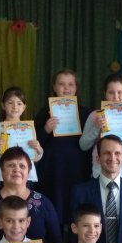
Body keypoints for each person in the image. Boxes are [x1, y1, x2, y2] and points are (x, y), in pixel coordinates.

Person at [34, 69, 91, 224]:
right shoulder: (44, 112)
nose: (66, 88)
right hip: (52, 171)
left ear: (76, 87)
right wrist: (46, 129)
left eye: (71, 84)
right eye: (61, 84)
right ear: (54, 87)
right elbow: (34, 144)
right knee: (53, 211)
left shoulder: (86, 113)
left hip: (79, 169)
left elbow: (92, 142)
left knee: (77, 211)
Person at [79, 73, 122, 181]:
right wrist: (96, 128)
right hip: (100, 171)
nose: (115, 97)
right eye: (111, 92)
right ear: (105, 93)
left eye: (120, 92)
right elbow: (83, 145)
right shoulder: (95, 116)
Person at [0, 87, 43, 191]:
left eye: (19, 103)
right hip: (1, 175)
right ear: (3, 105)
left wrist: (38, 149)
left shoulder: (29, 128)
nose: (15, 106)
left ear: (24, 107)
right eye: (10, 103)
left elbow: (35, 158)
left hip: (25, 175)